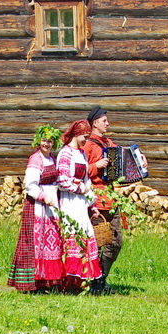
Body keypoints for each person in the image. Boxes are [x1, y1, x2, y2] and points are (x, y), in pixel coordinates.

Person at [8, 124, 64, 292]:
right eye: (44, 141)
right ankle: (29, 283)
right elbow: (30, 185)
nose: (47, 144)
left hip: (51, 206)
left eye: (50, 141)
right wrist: (43, 196)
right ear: (39, 141)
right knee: (34, 244)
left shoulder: (52, 159)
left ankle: (46, 282)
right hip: (37, 206)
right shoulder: (36, 159)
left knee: (49, 245)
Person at [56, 119, 102, 291]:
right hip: (69, 202)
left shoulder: (82, 154)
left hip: (81, 203)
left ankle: (80, 281)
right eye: (84, 136)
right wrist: (79, 188)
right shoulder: (65, 153)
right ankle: (67, 281)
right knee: (72, 234)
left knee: (85, 235)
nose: (86, 139)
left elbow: (86, 180)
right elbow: (62, 180)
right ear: (76, 135)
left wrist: (92, 203)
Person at [82, 105, 123, 293]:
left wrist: (140, 159)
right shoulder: (88, 145)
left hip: (112, 199)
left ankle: (101, 280)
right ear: (95, 123)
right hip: (96, 200)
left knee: (115, 242)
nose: (108, 123)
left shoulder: (109, 143)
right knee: (98, 242)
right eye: (104, 121)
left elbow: (123, 157)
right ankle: (93, 283)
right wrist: (96, 165)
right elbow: (78, 170)